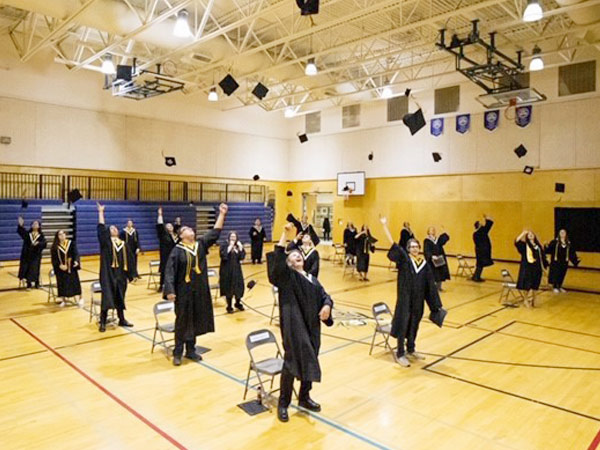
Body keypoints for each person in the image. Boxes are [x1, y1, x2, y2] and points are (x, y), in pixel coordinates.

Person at [268, 223, 333, 423]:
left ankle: (304, 397)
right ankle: (283, 403)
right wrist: (284, 235)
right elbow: (277, 264)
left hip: (312, 327)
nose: (298, 256)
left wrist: (327, 306)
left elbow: (325, 296)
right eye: (293, 256)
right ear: (288, 263)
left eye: (299, 255)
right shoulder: (287, 278)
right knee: (291, 363)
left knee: (310, 359)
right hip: (295, 327)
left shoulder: (312, 279)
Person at [164, 203, 228, 366]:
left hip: (199, 290)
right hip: (183, 292)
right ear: (181, 235)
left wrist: (222, 214)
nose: (190, 230)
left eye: (191, 229)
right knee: (182, 321)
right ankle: (178, 351)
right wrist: (170, 290)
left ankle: (190, 350)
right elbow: (169, 271)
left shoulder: (200, 245)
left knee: (195, 319)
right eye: (186, 229)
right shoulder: (177, 250)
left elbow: (215, 233)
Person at [381, 217, 443, 368]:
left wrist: (436, 306)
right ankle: (400, 353)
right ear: (408, 249)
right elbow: (393, 245)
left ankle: (411, 348)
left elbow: (430, 286)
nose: (415, 249)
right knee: (403, 325)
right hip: (405, 300)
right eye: (412, 247)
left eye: (417, 246)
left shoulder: (424, 265)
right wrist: (385, 226)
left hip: (418, 301)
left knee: (414, 324)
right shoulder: (404, 260)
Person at [96, 203, 133, 332]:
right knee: (107, 298)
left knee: (120, 297)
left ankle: (122, 319)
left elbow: (130, 260)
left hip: (121, 275)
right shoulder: (106, 243)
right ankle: (102, 321)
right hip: (108, 274)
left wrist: (130, 275)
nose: (113, 229)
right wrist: (101, 213)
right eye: (111, 228)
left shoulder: (123, 244)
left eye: (115, 228)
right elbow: (101, 229)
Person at [515, 230, 548, 307]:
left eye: (532, 234)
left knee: (535, 285)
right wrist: (523, 233)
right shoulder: (525, 246)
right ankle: (525, 300)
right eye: (529, 234)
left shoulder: (538, 246)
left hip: (537, 268)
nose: (530, 235)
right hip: (528, 268)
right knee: (527, 285)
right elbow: (517, 242)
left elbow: (542, 256)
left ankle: (534, 300)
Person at [50, 230, 82, 307]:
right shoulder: (55, 247)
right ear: (57, 236)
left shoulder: (71, 244)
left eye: (63, 234)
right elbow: (54, 259)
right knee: (62, 284)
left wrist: (76, 261)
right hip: (61, 269)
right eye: (60, 234)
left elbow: (76, 253)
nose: (62, 236)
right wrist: (59, 265)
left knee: (75, 282)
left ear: (65, 235)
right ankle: (63, 300)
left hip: (71, 267)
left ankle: (80, 298)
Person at [219, 231, 246, 314]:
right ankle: (229, 306)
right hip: (227, 270)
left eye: (234, 237)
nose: (233, 239)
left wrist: (241, 248)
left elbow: (241, 257)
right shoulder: (224, 245)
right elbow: (223, 256)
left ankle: (237, 303)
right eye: (231, 237)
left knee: (238, 286)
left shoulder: (238, 246)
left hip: (237, 270)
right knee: (229, 287)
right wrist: (230, 247)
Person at [545, 229, 579, 293]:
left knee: (562, 274)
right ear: (559, 233)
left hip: (564, 262)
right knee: (556, 274)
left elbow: (571, 253)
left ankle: (560, 286)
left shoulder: (568, 243)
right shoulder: (555, 242)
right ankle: (555, 287)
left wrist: (575, 261)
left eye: (564, 232)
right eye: (561, 232)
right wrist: (546, 246)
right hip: (556, 262)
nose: (562, 233)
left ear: (566, 234)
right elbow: (549, 250)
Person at [17, 217, 46, 289]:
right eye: (33, 224)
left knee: (35, 269)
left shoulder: (41, 235)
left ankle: (37, 283)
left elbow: (44, 243)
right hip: (27, 255)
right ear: (31, 225)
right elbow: (21, 232)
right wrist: (20, 225)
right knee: (27, 269)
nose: (35, 225)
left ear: (39, 226)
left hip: (36, 255)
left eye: (36, 224)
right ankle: (28, 284)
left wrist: (38, 243)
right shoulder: (28, 234)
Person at [156, 207, 179, 291]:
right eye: (167, 226)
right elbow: (160, 225)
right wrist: (160, 215)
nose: (169, 226)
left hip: (175, 255)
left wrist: (178, 222)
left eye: (170, 225)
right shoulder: (163, 236)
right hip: (166, 256)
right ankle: (161, 285)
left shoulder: (176, 235)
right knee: (164, 271)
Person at [424, 226, 450, 291]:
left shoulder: (438, 239)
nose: (432, 231)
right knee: (433, 274)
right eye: (431, 230)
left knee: (440, 273)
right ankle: (432, 288)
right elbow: (426, 250)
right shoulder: (427, 240)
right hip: (432, 260)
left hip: (439, 259)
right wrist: (431, 256)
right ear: (428, 232)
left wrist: (445, 231)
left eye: (433, 230)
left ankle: (439, 287)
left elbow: (445, 239)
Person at [472, 215, 494, 282]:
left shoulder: (475, 233)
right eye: (480, 224)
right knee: (480, 264)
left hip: (478, 250)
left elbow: (486, 227)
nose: (482, 225)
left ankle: (476, 276)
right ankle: (476, 277)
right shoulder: (480, 232)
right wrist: (487, 218)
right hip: (482, 251)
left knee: (479, 264)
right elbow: (488, 226)